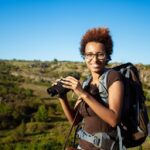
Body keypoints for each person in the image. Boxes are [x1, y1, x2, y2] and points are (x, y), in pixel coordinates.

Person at [57, 27, 124, 150]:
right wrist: (62, 96)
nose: (95, 59)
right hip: (82, 146)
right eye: (89, 55)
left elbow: (114, 119)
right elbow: (74, 121)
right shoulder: (87, 83)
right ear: (84, 57)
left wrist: (82, 93)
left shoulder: (113, 77)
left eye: (100, 54)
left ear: (108, 56)